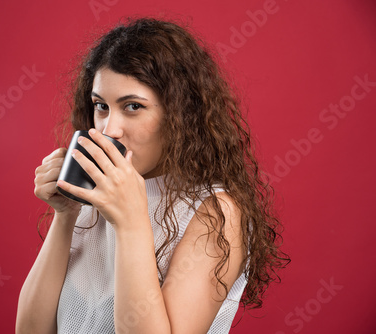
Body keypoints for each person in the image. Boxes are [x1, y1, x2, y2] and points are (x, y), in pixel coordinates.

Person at [16, 17, 289, 334]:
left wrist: (131, 223)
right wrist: (66, 213)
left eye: (132, 106)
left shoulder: (215, 213)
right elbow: (31, 331)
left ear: (180, 115)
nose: (109, 130)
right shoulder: (94, 196)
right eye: (100, 106)